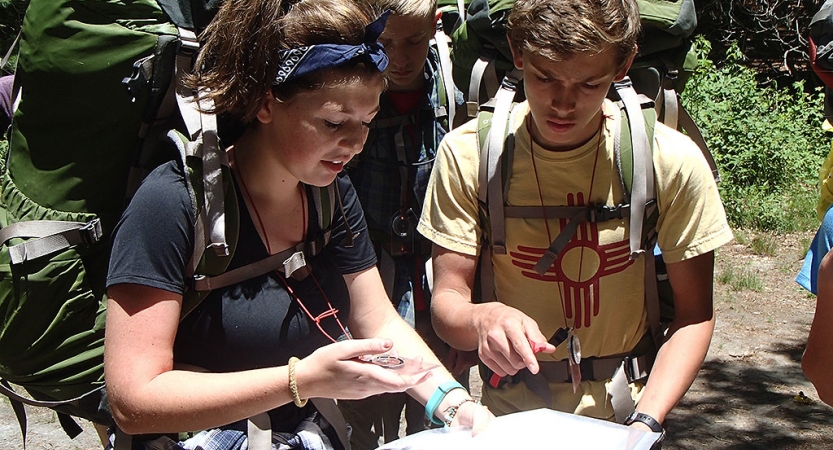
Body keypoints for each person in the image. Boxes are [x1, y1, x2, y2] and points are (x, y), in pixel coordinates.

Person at [103, 0, 493, 448]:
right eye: (332, 122)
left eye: (366, 121)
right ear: (266, 103)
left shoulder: (330, 192)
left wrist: (455, 405)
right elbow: (133, 401)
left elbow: (377, 320)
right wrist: (301, 380)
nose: (354, 143)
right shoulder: (171, 204)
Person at [417, 0, 733, 435]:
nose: (563, 103)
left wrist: (645, 423)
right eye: (545, 78)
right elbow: (447, 302)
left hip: (627, 412)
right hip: (507, 422)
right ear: (518, 51)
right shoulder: (469, 155)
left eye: (589, 83)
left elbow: (695, 314)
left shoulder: (669, 161)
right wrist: (482, 319)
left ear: (623, 65)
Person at [338, 0, 467, 446]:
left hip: (433, 277)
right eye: (385, 42)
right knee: (361, 413)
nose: (400, 57)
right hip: (366, 280)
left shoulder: (451, 89)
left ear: (435, 26)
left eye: (414, 41)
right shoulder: (350, 98)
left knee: (435, 417)